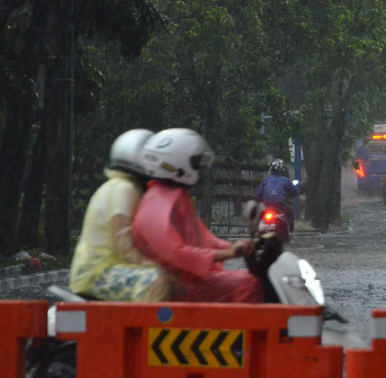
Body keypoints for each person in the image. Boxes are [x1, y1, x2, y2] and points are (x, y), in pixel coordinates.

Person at [131, 128, 263, 303]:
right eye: (195, 163)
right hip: (182, 285)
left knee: (249, 278)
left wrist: (235, 247)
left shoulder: (175, 196)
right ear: (176, 164)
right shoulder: (158, 203)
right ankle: (236, 330)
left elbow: (202, 238)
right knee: (247, 283)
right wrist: (229, 253)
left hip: (191, 279)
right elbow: (176, 253)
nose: (200, 169)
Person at [69, 129, 171, 301]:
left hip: (104, 269)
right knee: (158, 281)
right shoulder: (124, 189)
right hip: (99, 273)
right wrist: (157, 267)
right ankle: (146, 327)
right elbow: (124, 245)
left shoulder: (116, 187)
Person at [256, 158, 298, 231]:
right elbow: (294, 191)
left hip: (267, 206)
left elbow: (259, 193)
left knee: (259, 214)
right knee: (290, 210)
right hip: (280, 206)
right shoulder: (285, 180)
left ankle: (257, 229)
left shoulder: (265, 180)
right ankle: (290, 230)